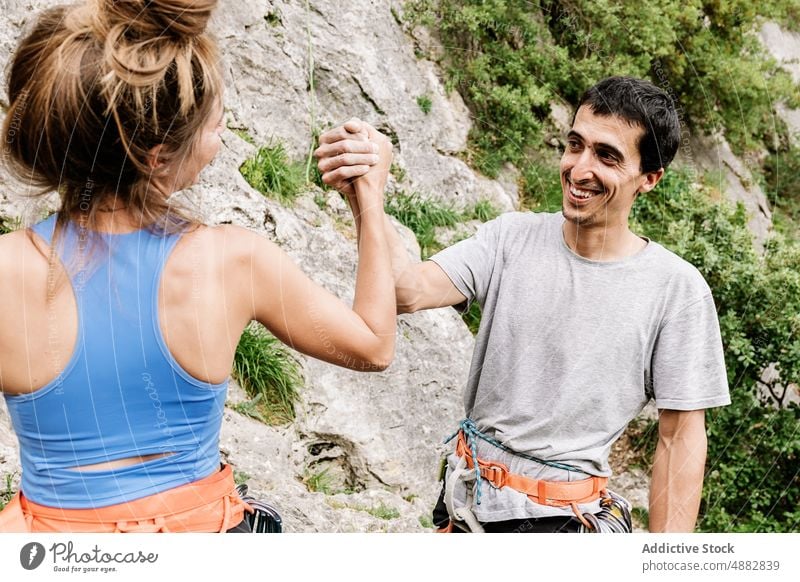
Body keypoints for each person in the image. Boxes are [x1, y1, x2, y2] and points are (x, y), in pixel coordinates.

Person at [0, 0, 394, 533]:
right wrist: (369, 203)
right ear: (157, 156)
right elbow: (373, 344)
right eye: (216, 124)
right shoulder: (232, 260)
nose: (221, 135)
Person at [315, 76, 731, 533]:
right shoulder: (511, 237)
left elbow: (680, 438)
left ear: (649, 179)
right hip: (467, 501)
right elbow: (405, 290)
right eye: (576, 145)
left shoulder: (676, 290)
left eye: (607, 156)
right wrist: (367, 194)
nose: (579, 168)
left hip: (562, 523)